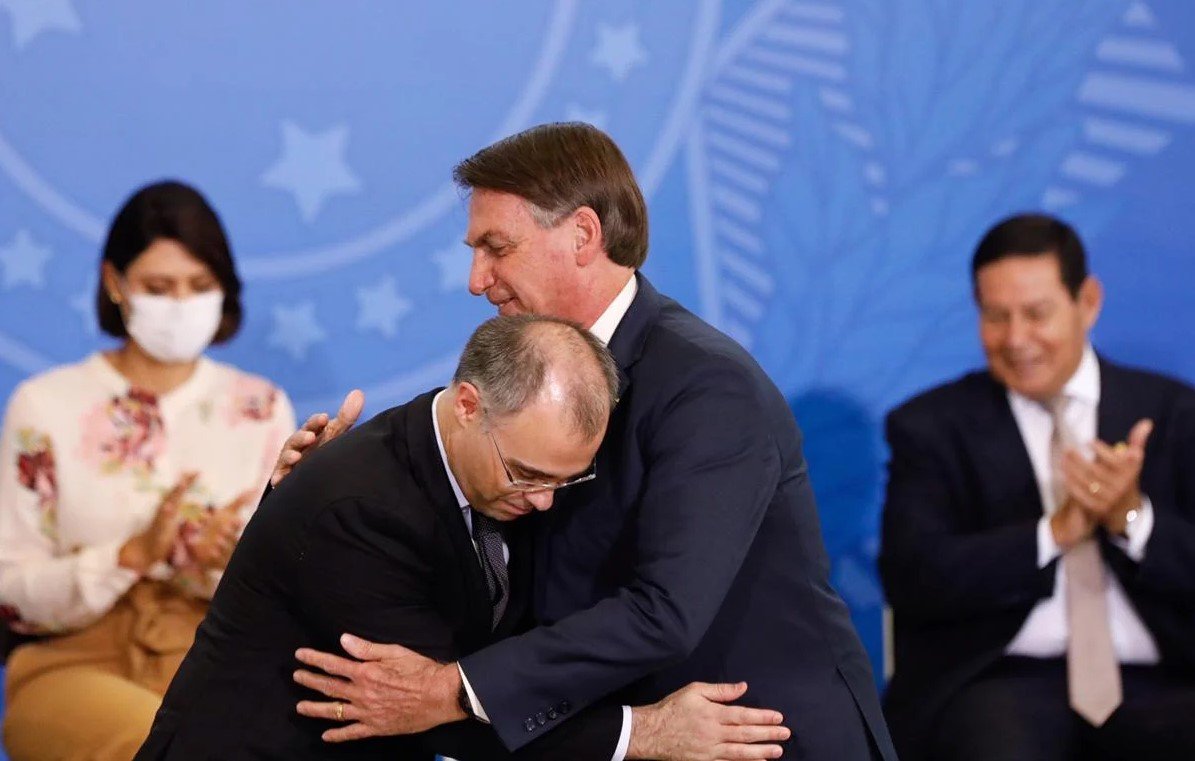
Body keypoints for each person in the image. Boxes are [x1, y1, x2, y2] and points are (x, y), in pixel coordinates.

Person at [284, 122, 896, 760]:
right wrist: (333, 486)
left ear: (581, 234)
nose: (474, 279)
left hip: (753, 739)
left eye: (495, 247)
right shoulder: (523, 372)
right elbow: (473, 538)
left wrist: (454, 691)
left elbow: (665, 612)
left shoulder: (707, 386)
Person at [135, 314, 789, 760]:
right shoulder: (360, 509)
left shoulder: (493, 471)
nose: (541, 501)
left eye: (563, 481)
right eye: (527, 474)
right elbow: (427, 709)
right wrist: (643, 732)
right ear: (471, 405)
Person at [879, 212, 1195, 760]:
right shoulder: (931, 426)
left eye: (1036, 314)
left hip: (1165, 678)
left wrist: (1130, 518)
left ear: (1088, 302)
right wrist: (1055, 532)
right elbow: (914, 576)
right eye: (995, 317)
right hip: (999, 682)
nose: (1016, 339)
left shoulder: (1174, 413)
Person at [0, 180, 295, 760]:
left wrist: (226, 563)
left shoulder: (261, 408)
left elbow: (287, 593)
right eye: (160, 288)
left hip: (217, 665)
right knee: (171, 745)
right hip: (72, 666)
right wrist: (128, 557)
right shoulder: (46, 406)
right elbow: (11, 590)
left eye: (200, 287)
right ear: (115, 283)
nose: (181, 306)